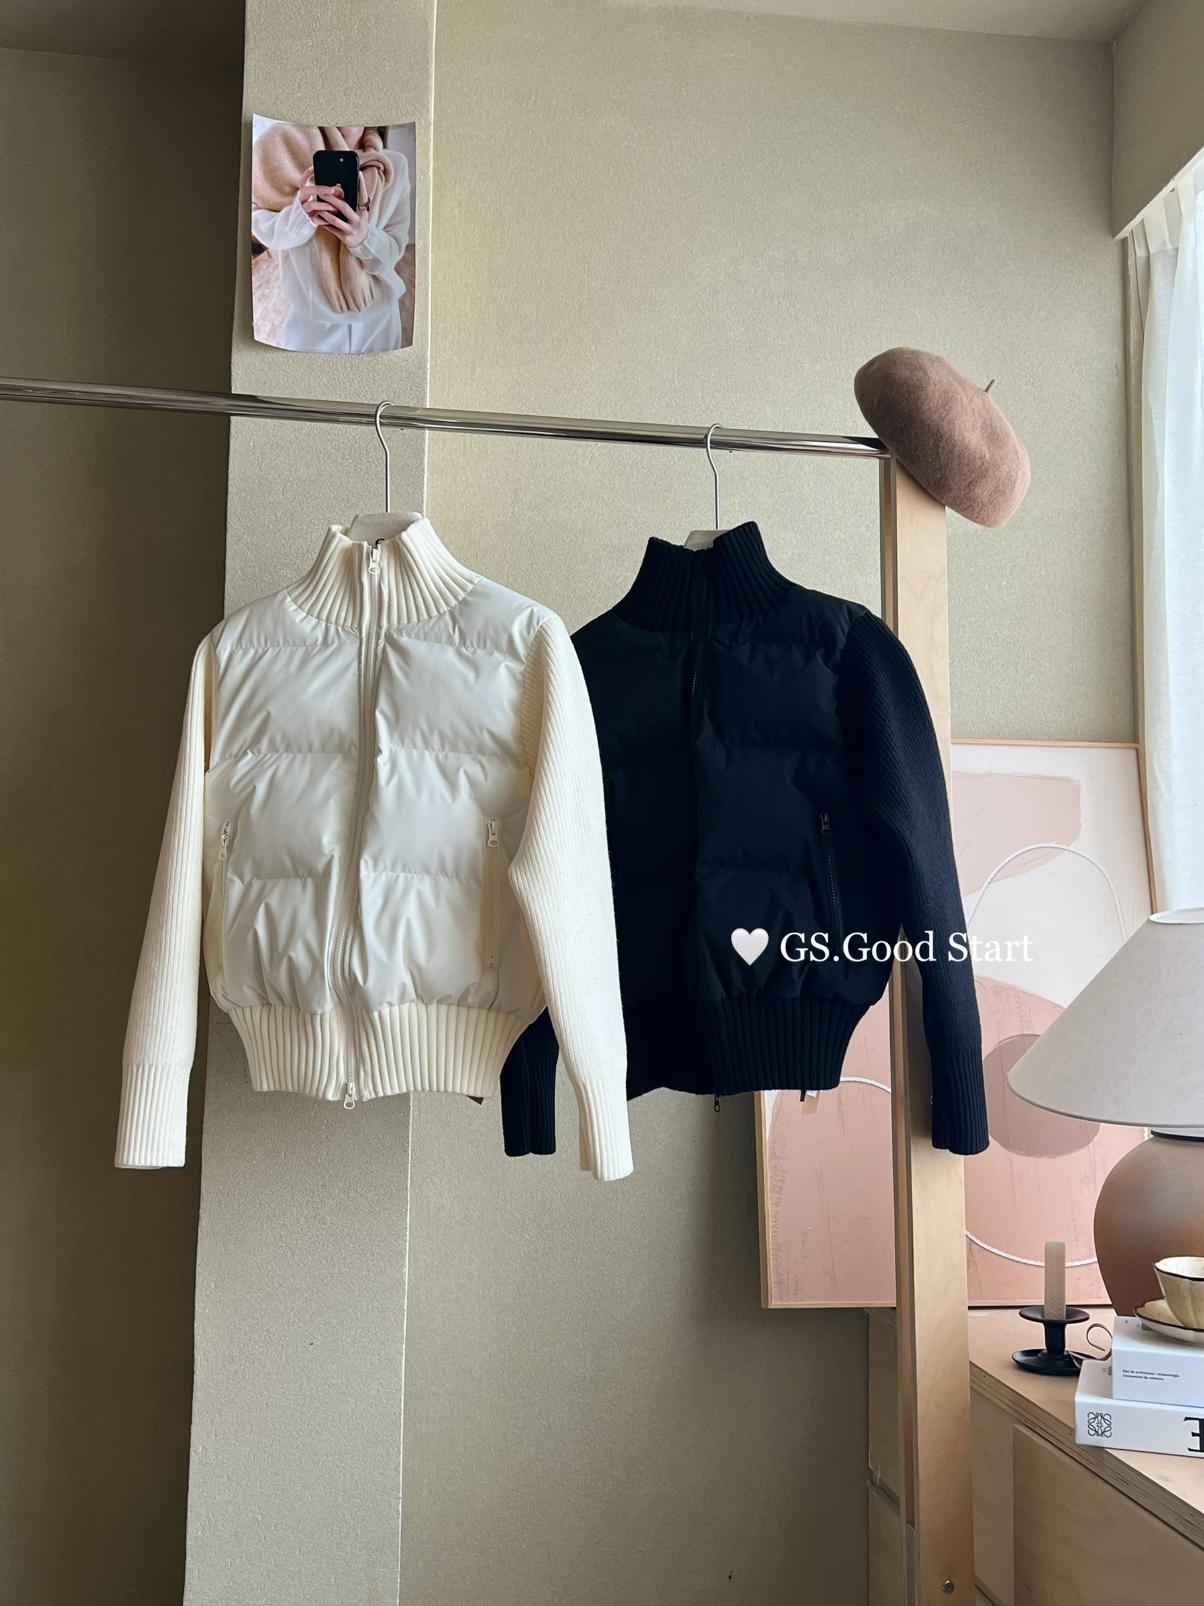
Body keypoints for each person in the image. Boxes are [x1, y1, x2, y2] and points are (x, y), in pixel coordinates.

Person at [251, 124, 411, 354]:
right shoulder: (283, 148)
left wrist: (364, 238)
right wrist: (300, 216)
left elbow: (395, 250)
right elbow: (258, 223)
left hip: (379, 322)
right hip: (312, 325)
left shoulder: (395, 165)